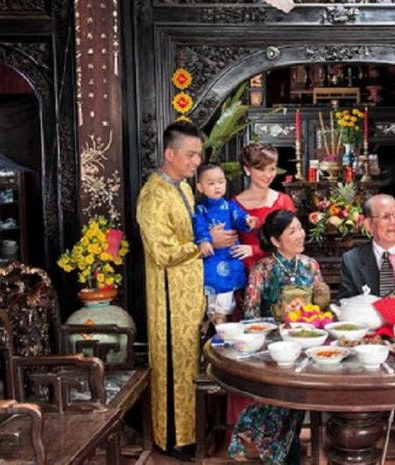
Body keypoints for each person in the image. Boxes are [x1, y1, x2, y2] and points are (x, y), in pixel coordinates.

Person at [136, 121, 237, 460]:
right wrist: (205, 245)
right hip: (169, 298)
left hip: (192, 292)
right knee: (173, 365)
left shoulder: (183, 187)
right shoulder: (154, 195)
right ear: (170, 153)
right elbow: (161, 252)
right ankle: (172, 439)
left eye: (199, 155)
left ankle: (193, 431)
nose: (197, 162)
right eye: (190, 155)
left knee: (191, 363)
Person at [229, 209, 323, 464]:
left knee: (297, 393)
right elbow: (250, 315)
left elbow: (320, 310)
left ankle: (273, 447)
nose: (301, 234)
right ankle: (286, 453)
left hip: (305, 344)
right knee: (286, 394)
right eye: (292, 231)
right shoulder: (263, 269)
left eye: (300, 228)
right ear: (275, 240)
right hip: (273, 347)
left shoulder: (310, 265)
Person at [192, 162, 256, 322]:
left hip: (230, 255)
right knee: (215, 289)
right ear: (200, 187)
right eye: (211, 183)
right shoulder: (201, 209)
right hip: (213, 257)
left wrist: (247, 221)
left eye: (221, 182)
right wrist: (205, 240)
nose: (217, 187)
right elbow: (199, 227)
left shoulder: (230, 206)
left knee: (231, 292)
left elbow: (239, 218)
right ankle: (217, 320)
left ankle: (224, 320)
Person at [234, 143, 296, 271]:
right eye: (261, 169)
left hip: (277, 273)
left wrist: (255, 250)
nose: (268, 175)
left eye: (272, 169)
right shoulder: (234, 204)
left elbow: (292, 242)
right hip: (242, 273)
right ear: (247, 169)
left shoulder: (283, 201)